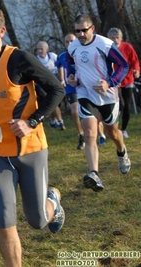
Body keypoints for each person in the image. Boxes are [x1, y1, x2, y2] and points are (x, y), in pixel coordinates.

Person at [0, 5, 65, 267]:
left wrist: (31, 122)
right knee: (4, 220)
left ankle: (52, 199)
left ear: (1, 30)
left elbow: (56, 89)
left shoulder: (19, 59)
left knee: (37, 220)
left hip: (30, 149)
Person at [67, 14, 130, 192]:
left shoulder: (104, 44)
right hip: (85, 92)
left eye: (83, 30)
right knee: (89, 133)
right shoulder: (73, 47)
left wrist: (108, 83)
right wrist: (71, 78)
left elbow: (123, 66)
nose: (80, 34)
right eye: (77, 31)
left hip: (107, 96)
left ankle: (122, 152)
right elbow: (71, 65)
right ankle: (94, 173)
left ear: (92, 29)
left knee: (113, 132)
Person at [107, 27, 140, 139]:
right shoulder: (107, 48)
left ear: (121, 38)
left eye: (117, 37)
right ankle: (113, 127)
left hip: (128, 80)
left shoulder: (127, 47)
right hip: (115, 81)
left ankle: (123, 129)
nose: (115, 40)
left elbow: (134, 60)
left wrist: (136, 70)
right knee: (120, 105)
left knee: (127, 106)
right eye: (113, 38)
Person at [56, 34, 85, 149]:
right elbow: (59, 66)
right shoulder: (61, 54)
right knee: (74, 111)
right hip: (71, 86)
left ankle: (98, 133)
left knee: (91, 110)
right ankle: (81, 135)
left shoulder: (83, 51)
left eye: (71, 41)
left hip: (84, 84)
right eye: (67, 41)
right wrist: (62, 79)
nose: (69, 43)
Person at [36, 40, 65, 130]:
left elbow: (60, 66)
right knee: (53, 99)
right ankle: (60, 122)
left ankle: (53, 120)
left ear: (47, 49)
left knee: (54, 102)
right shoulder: (36, 60)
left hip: (55, 81)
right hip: (43, 84)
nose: (40, 51)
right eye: (38, 49)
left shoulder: (53, 56)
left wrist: (62, 79)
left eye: (41, 49)